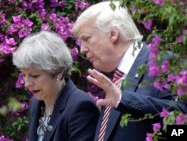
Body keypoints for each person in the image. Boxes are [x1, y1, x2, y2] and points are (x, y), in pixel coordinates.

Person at [72, 1, 187, 141]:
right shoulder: (116, 79)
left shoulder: (163, 62)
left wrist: (123, 99)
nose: (82, 49)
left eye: (86, 39)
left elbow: (182, 129)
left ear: (113, 34)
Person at [12, 31, 99, 141]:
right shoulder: (35, 102)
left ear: (59, 72)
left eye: (35, 75)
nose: (27, 83)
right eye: (24, 75)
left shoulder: (80, 106)